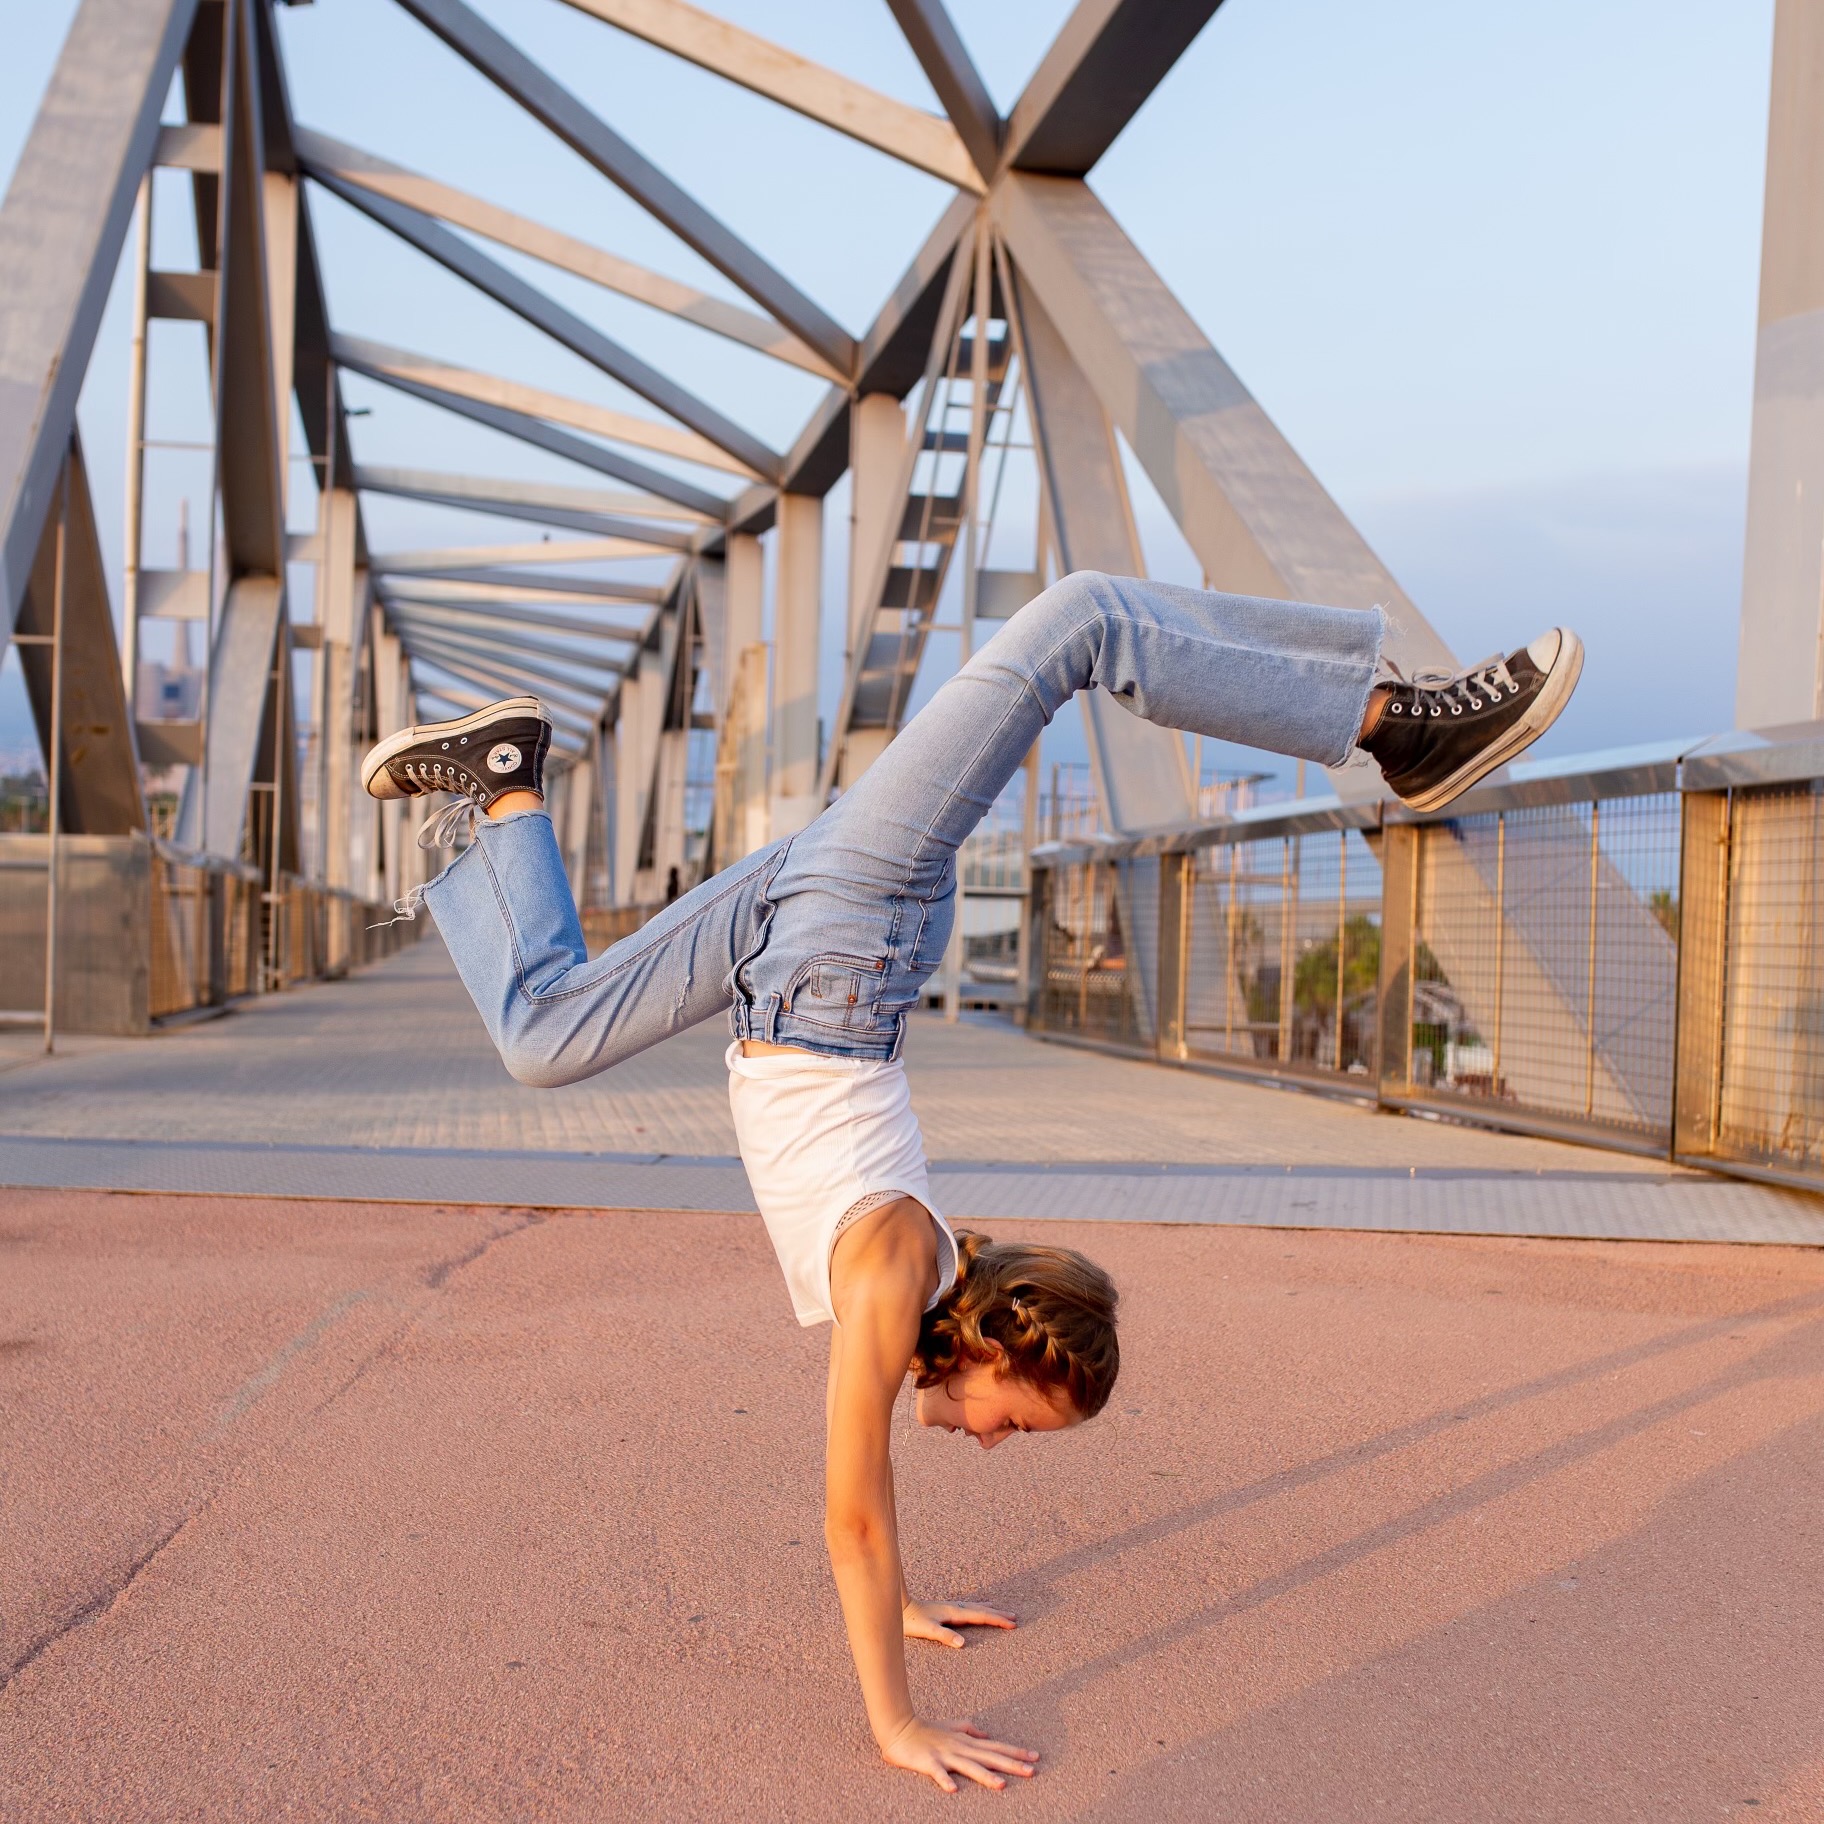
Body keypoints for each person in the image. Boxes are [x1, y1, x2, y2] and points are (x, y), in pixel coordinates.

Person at [361, 570, 1581, 1792]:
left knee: (543, 1035)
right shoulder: (894, 1278)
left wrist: (898, 1605)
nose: (995, 1444)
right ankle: (1395, 721)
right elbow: (852, 1515)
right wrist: (898, 1726)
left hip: (800, 944)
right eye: (1017, 1420)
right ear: (993, 1348)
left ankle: (506, 779)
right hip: (853, 920)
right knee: (1083, 622)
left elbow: (875, 1500)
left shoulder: (921, 1287)